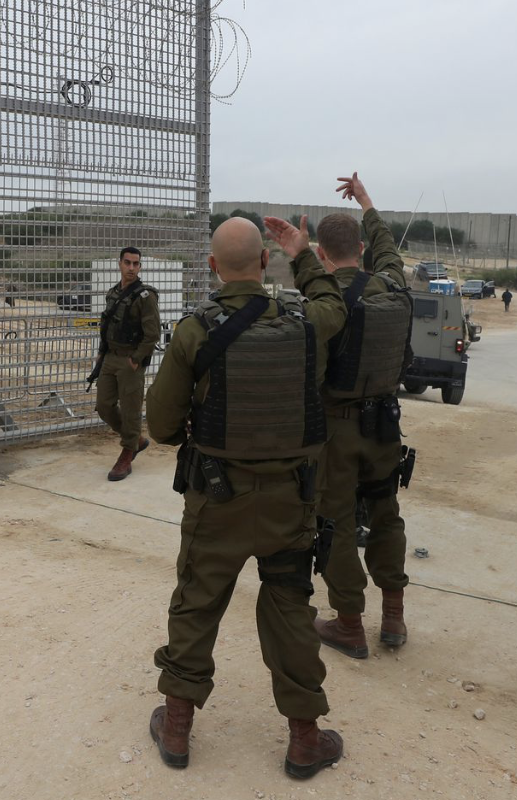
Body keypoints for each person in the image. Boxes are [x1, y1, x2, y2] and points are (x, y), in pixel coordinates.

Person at [144, 213, 347, 779]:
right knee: (290, 608)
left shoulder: (194, 331)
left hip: (218, 500)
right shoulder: (308, 325)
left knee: (198, 601)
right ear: (264, 262)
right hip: (291, 502)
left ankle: (177, 727)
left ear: (212, 266)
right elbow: (334, 303)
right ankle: (304, 739)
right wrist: (302, 254)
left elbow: (161, 426)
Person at [310, 174, 412, 665]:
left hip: (337, 430)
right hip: (385, 426)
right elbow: (388, 248)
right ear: (362, 249)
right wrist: (366, 199)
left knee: (337, 523)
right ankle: (393, 615)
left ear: (323, 255)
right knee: (386, 513)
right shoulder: (391, 284)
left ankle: (349, 623)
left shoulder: (326, 300)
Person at [93, 246, 161, 481]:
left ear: (140, 267)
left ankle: (127, 453)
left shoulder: (145, 297)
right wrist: (101, 352)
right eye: (127, 263)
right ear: (120, 263)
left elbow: (152, 334)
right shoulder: (113, 293)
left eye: (136, 264)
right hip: (111, 357)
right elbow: (107, 326)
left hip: (130, 359)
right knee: (104, 406)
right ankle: (136, 440)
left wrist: (136, 359)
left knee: (131, 410)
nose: (131, 268)